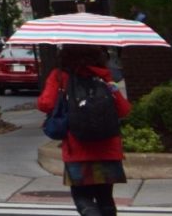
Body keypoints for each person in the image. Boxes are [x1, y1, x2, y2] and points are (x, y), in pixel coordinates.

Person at [38, 43, 131, 216]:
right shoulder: (104, 76)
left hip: (78, 149)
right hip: (107, 148)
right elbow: (124, 109)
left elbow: (45, 104)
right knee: (105, 198)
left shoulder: (60, 76)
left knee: (83, 197)